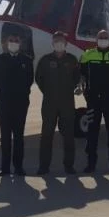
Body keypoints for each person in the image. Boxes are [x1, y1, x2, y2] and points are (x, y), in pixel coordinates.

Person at [79, 29, 109, 174]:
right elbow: (81, 73)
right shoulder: (87, 54)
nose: (103, 39)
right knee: (92, 133)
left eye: (105, 37)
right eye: (101, 37)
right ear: (96, 39)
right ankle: (91, 164)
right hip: (93, 100)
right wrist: (86, 91)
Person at [35, 31, 81, 175]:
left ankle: (69, 165)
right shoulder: (45, 60)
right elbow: (39, 79)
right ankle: (44, 166)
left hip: (67, 102)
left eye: (61, 41)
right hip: (49, 103)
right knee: (47, 135)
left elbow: (76, 78)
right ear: (52, 43)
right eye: (56, 41)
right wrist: (49, 92)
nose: (59, 44)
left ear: (66, 43)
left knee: (69, 135)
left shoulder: (72, 60)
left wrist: (68, 90)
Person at [0, 33, 34, 177]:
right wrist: (4, 93)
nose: (14, 42)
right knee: (5, 135)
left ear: (20, 43)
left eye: (16, 40)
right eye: (11, 40)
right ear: (6, 43)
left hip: (21, 103)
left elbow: (29, 80)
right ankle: (5, 168)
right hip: (3, 103)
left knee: (19, 136)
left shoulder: (26, 60)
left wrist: (21, 94)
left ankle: (19, 167)